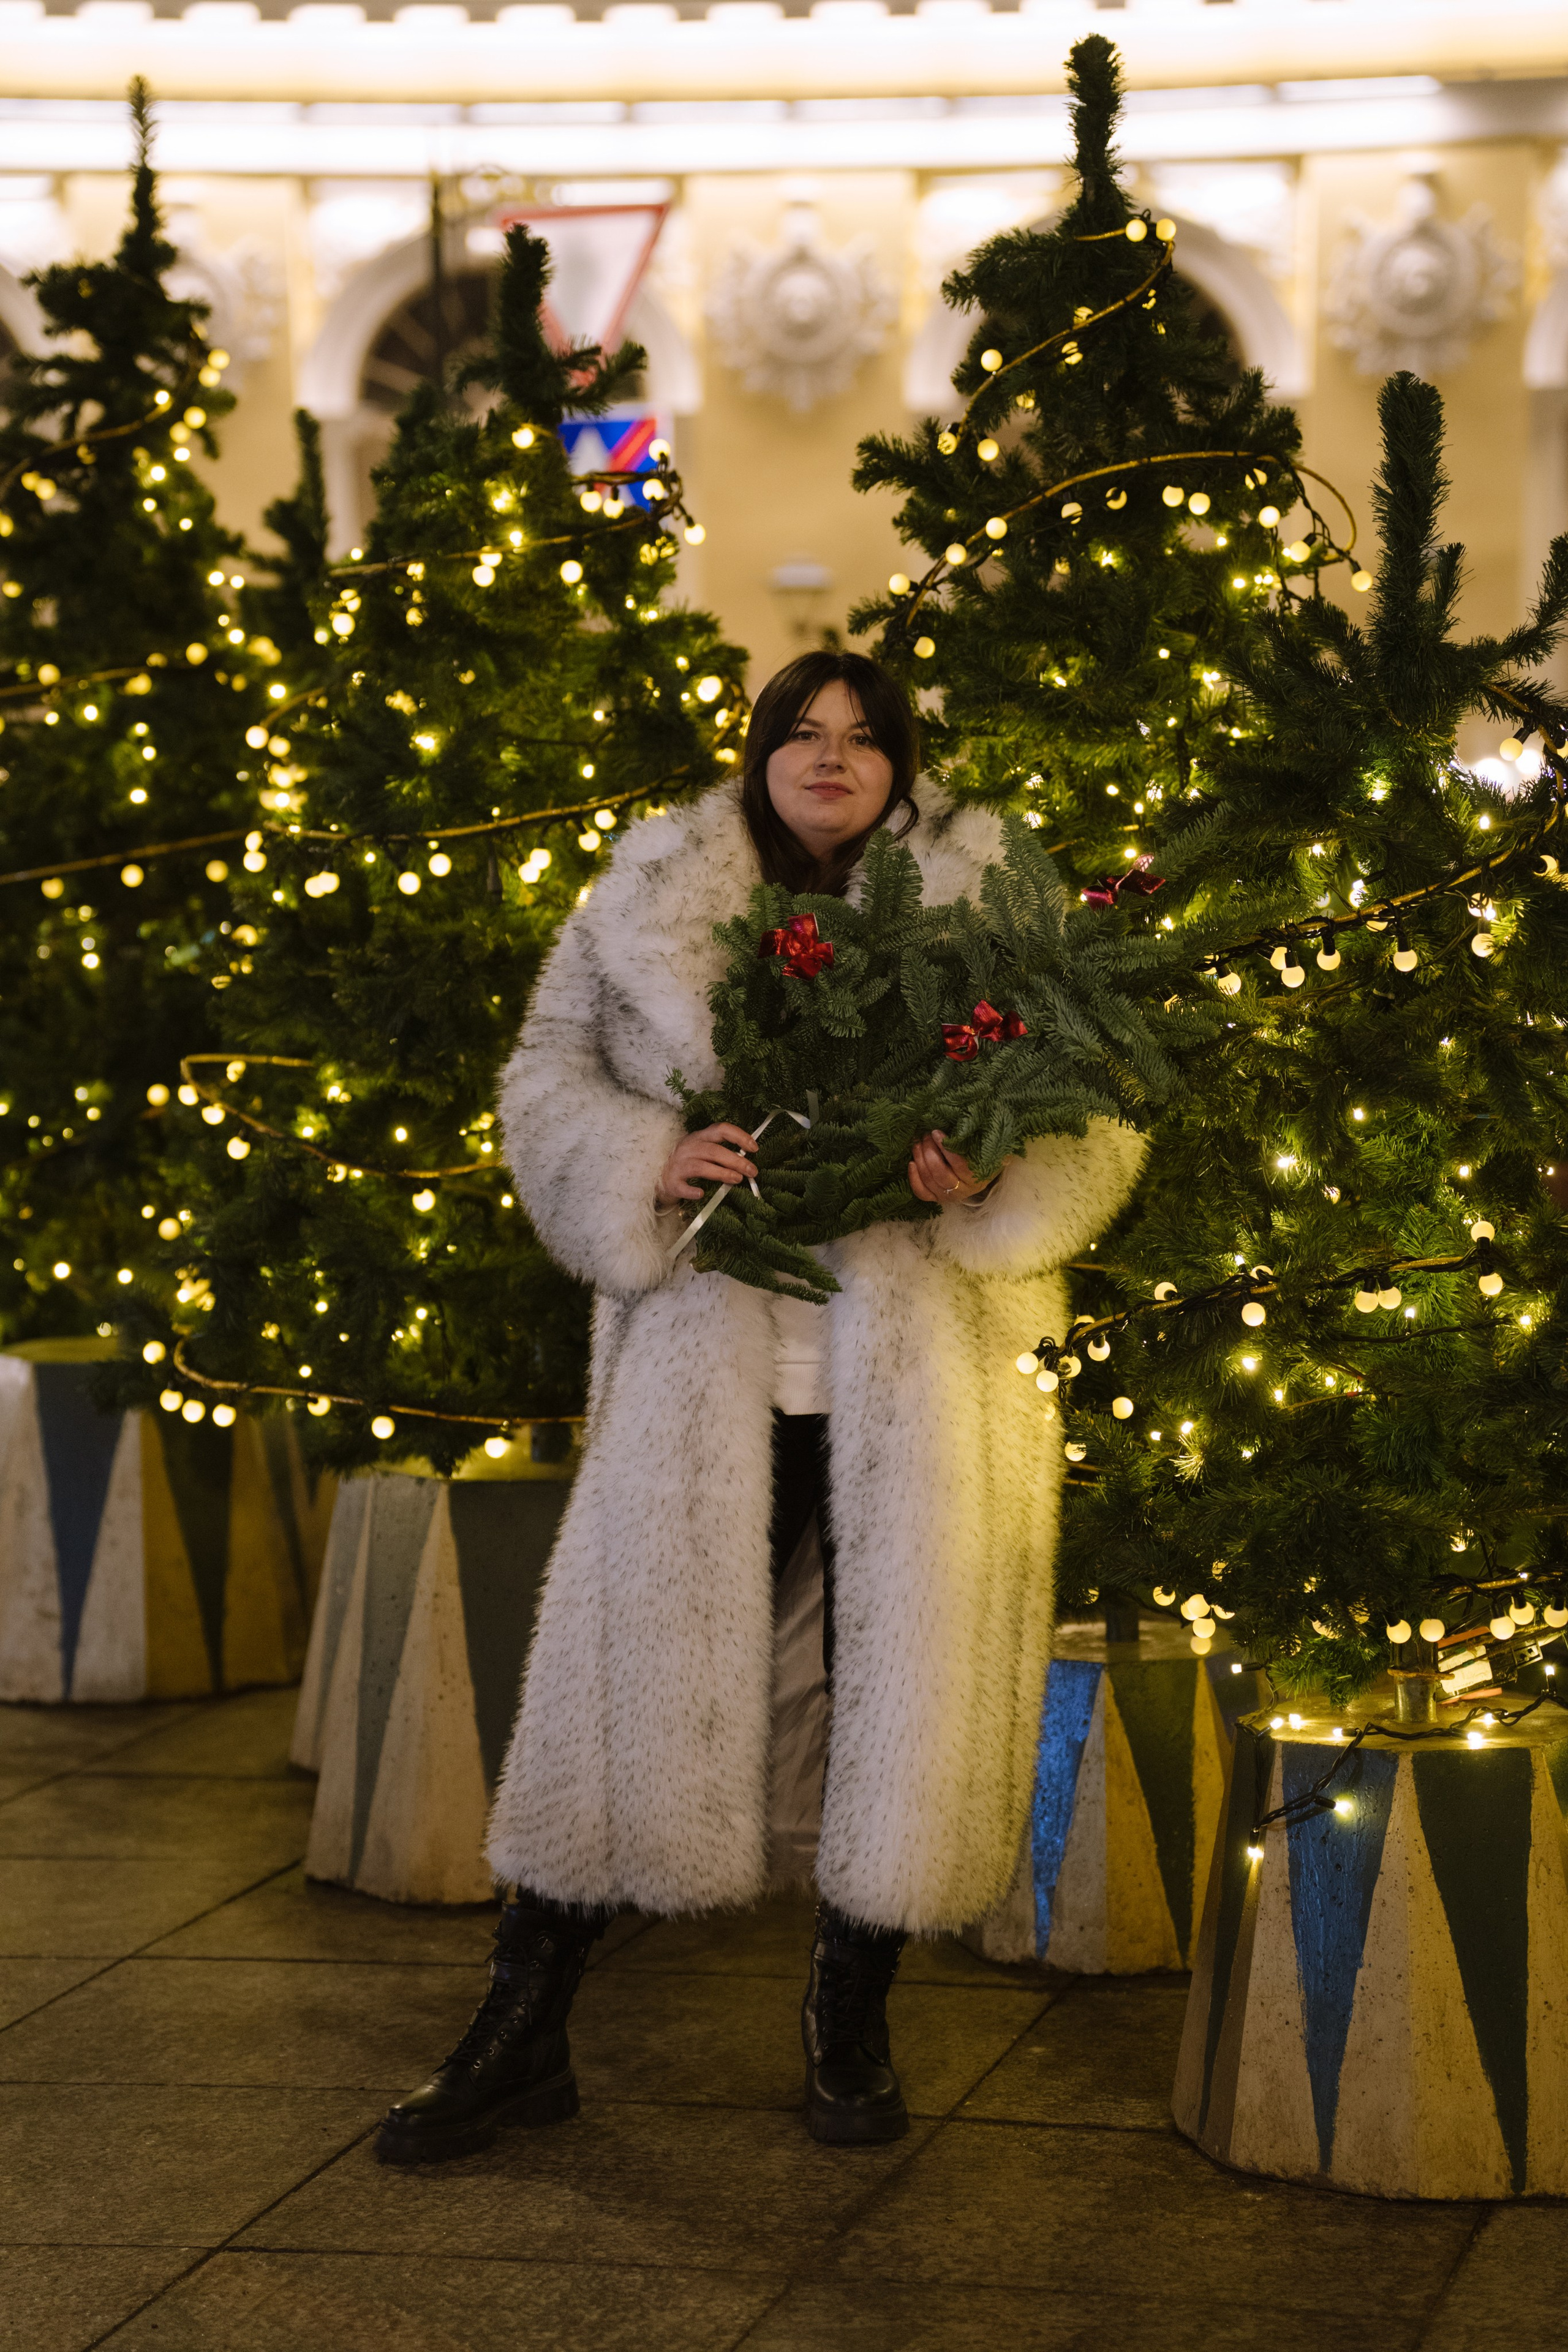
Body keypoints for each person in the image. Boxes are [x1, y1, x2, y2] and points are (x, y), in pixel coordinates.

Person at [377, 649, 1144, 2165]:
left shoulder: (989, 895)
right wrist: (640, 1157)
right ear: (761, 752)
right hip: (700, 1371)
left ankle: (847, 2024)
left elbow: (1097, 1100)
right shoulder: (653, 890)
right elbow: (545, 1069)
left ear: (900, 760)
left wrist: (990, 1173)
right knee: (633, 1677)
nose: (831, 758)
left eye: (863, 738)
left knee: (894, 1701)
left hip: (917, 1378)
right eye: (803, 732)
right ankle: (521, 2027)